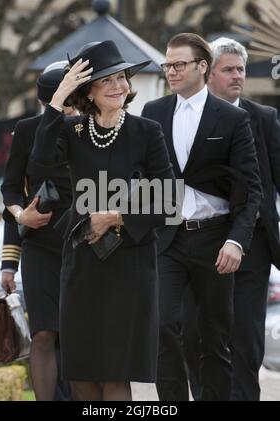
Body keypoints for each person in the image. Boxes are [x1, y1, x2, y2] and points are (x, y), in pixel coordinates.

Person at [31, 40, 177, 401]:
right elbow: (41, 160)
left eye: (122, 78)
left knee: (115, 375)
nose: (119, 86)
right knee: (81, 374)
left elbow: (170, 199)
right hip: (81, 264)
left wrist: (116, 216)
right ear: (88, 93)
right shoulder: (72, 130)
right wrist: (58, 97)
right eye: (107, 80)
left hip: (130, 266)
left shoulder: (147, 132)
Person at [142, 32, 262, 401]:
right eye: (167, 65)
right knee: (163, 326)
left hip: (215, 240)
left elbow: (251, 189)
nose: (171, 71)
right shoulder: (154, 113)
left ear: (201, 67)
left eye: (179, 65)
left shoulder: (230, 118)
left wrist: (236, 241)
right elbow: (143, 178)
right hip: (167, 239)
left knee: (212, 338)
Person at [207, 37, 280, 400]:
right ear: (208, 73)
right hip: (200, 244)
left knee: (246, 340)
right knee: (203, 339)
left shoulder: (264, 118)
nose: (238, 76)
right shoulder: (185, 117)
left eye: (242, 69)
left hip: (253, 246)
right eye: (229, 70)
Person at [0, 65, 79, 401]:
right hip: (40, 246)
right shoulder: (28, 130)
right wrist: (21, 219)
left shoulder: (90, 129)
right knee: (44, 332)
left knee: (78, 335)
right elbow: (12, 190)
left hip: (83, 244)